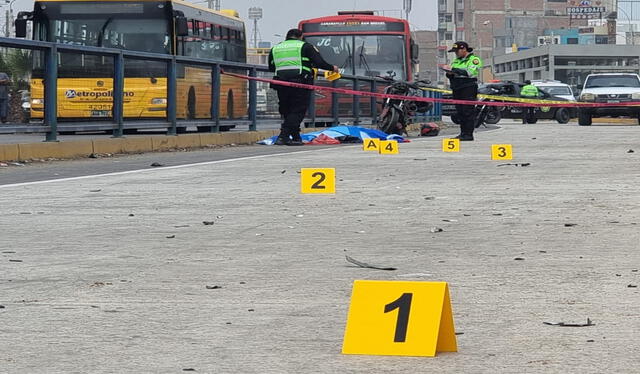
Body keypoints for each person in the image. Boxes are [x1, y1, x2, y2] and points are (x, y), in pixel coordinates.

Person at [269, 29, 339, 145]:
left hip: (281, 83)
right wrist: (332, 68)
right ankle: (283, 136)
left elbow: (271, 67)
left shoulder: (276, 48)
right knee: (298, 110)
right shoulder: (305, 47)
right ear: (300, 36)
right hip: (300, 82)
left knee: (287, 110)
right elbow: (319, 62)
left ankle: (296, 137)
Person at [443, 41, 483, 141]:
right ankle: (463, 133)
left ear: (464, 49)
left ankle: (468, 134)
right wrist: (449, 73)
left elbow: (470, 72)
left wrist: (453, 69)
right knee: (460, 112)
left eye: (457, 51)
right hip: (457, 88)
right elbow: (454, 72)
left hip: (468, 88)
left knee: (467, 111)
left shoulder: (474, 60)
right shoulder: (457, 61)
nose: (456, 53)